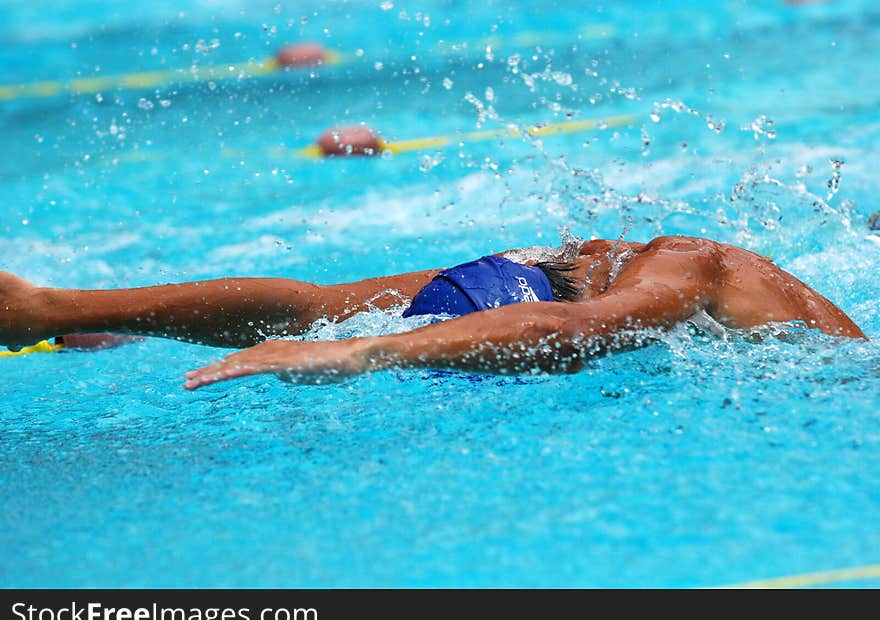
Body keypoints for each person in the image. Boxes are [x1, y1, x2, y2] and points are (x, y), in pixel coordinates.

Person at [0, 235, 865, 390]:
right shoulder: (661, 264)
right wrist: (361, 349)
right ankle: (44, 306)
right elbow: (573, 333)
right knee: (330, 318)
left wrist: (356, 347)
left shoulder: (678, 270)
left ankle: (48, 306)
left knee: (330, 315)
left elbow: (570, 327)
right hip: (529, 295)